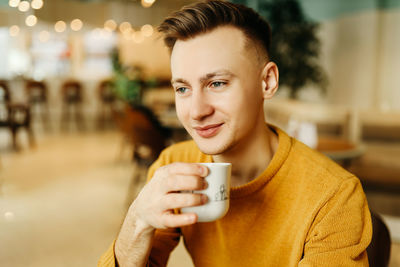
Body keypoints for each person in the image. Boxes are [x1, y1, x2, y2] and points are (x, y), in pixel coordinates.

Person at [99, 1, 372, 266]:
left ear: (267, 82)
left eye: (217, 83)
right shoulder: (174, 166)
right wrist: (137, 220)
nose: (196, 111)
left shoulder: (335, 196)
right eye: (182, 88)